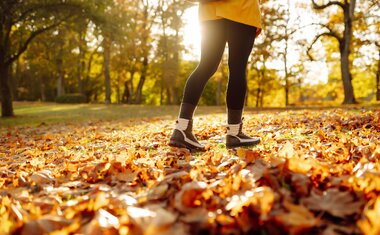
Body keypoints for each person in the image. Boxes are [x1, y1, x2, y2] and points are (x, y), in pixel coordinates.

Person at [169, 0, 262, 151]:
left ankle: (182, 128)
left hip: (210, 13)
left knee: (206, 66)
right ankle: (234, 133)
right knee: (237, 69)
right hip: (241, 10)